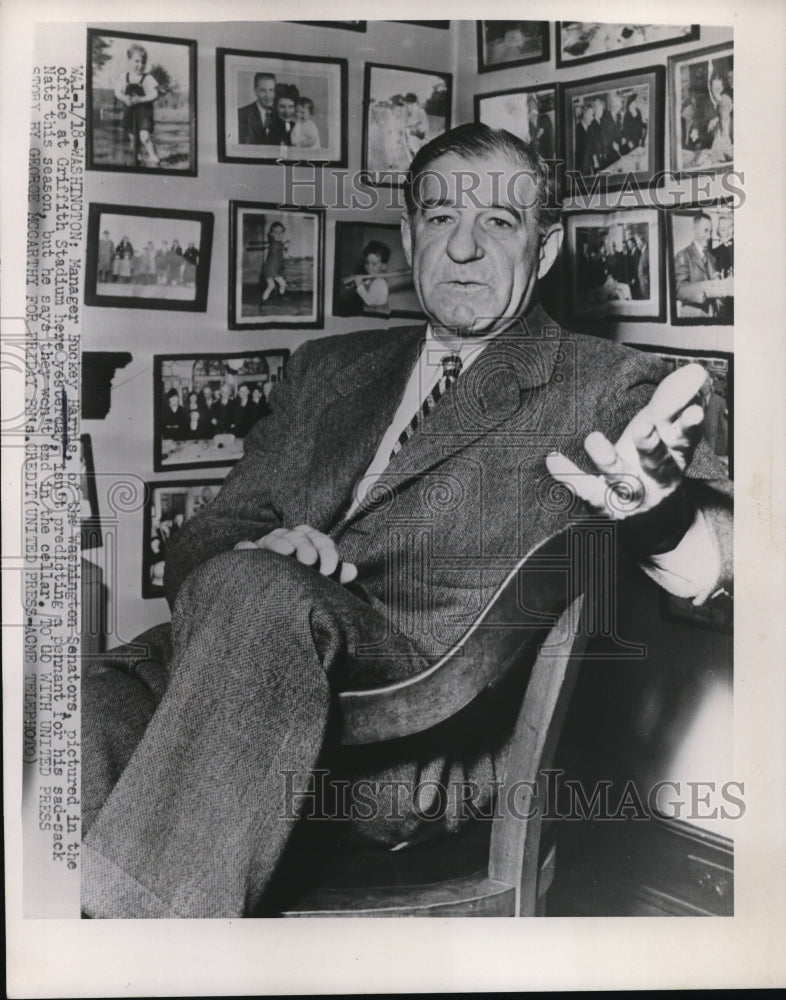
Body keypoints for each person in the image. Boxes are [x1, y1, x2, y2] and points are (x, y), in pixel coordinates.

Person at [82, 123, 732, 919]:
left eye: (498, 221)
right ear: (406, 234)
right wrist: (262, 549)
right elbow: (208, 537)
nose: (463, 248)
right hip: (207, 694)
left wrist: (661, 515)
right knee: (81, 717)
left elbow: (722, 560)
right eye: (440, 219)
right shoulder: (330, 368)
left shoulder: (609, 384)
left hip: (403, 749)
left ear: (548, 248)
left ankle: (149, 963)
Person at [113, 43, 160, 166]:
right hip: (130, 110)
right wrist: (124, 98)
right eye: (137, 61)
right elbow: (117, 92)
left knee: (144, 136)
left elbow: (155, 94)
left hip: (144, 112)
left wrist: (141, 99)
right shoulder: (124, 77)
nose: (140, 65)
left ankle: (154, 157)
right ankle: (137, 157)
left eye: (143, 62)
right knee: (133, 137)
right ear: (129, 61)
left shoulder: (148, 78)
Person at [674, 211, 720, 319]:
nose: (709, 236)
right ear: (695, 231)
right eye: (705, 231)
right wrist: (705, 287)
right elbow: (679, 289)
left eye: (711, 231)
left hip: (712, 316)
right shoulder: (683, 255)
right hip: (693, 316)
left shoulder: (711, 258)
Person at [237, 72, 287, 145]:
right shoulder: (241, 115)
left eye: (271, 90)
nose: (268, 96)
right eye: (263, 90)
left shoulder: (282, 114)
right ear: (255, 91)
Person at [349, 239, 391, 315]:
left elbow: (369, 301)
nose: (369, 267)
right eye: (367, 262)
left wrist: (359, 285)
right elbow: (367, 285)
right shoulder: (373, 277)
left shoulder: (380, 282)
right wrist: (356, 282)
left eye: (374, 264)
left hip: (378, 313)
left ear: (383, 266)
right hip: (370, 311)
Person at [259, 221, 288, 303]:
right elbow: (277, 248)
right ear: (271, 234)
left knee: (276, 285)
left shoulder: (276, 243)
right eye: (276, 232)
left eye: (281, 232)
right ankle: (265, 301)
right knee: (276, 285)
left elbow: (280, 253)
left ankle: (266, 300)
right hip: (271, 270)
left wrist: (284, 246)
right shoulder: (275, 244)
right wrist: (285, 245)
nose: (279, 234)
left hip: (273, 270)